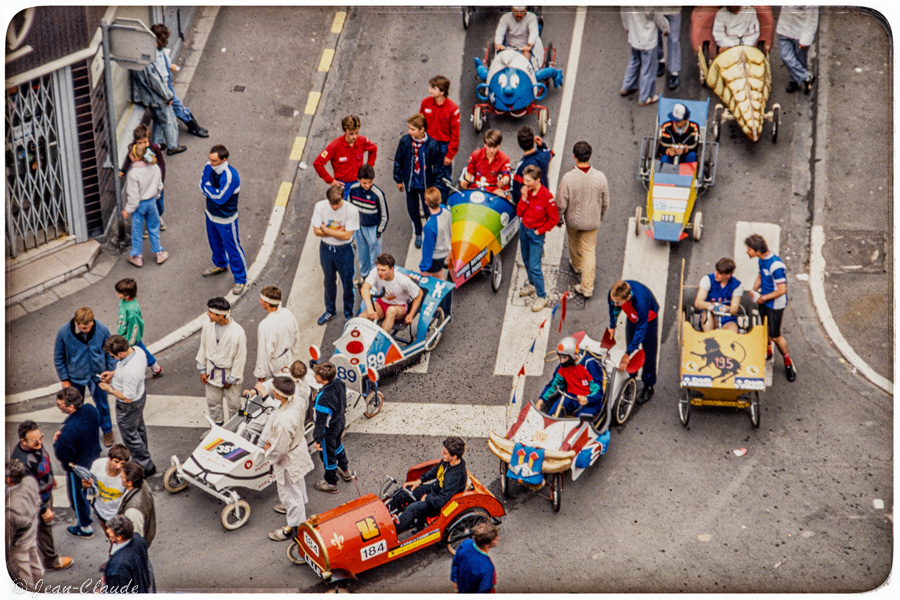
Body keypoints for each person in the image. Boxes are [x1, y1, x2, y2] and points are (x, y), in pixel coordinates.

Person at [249, 377, 315, 542]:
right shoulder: (297, 401)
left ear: (280, 395)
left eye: (274, 391)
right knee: (297, 486)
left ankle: (294, 528)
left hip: (288, 459)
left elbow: (280, 449)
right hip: (298, 450)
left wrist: (267, 451)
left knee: (290, 492)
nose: (272, 392)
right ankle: (297, 509)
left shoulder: (284, 421)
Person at [11, 421, 73, 571]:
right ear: (23, 441)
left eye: (41, 438)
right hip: (37, 501)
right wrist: (44, 509)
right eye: (35, 440)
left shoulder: (34, 445)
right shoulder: (23, 464)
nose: (39, 442)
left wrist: (50, 478)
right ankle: (51, 561)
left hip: (43, 492)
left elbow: (43, 462)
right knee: (45, 530)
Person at [53, 306, 117, 447]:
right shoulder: (64, 333)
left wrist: (110, 371)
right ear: (76, 323)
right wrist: (64, 379)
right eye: (83, 328)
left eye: (88, 327)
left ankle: (107, 431)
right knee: (76, 408)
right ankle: (80, 434)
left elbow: (110, 351)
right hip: (75, 377)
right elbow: (59, 356)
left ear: (93, 322)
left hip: (98, 376)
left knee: (102, 405)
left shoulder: (102, 329)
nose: (86, 330)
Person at [556, 141, 610, 299]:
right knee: (589, 251)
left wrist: (559, 218)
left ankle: (577, 265)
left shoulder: (568, 178)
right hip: (592, 221)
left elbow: (560, 203)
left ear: (574, 156)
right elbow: (606, 202)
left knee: (573, 241)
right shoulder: (600, 177)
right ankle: (587, 287)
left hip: (573, 220)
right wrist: (600, 215)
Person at [99, 335, 156, 477]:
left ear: (120, 354)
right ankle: (143, 457)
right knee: (138, 428)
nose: (112, 358)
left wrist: (110, 389)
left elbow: (128, 397)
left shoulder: (131, 373)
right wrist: (113, 374)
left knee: (130, 436)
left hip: (128, 406)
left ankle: (145, 465)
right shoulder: (137, 350)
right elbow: (123, 369)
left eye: (112, 356)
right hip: (140, 397)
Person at [389, 437, 467, 534]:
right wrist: (420, 480)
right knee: (402, 493)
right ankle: (390, 517)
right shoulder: (448, 461)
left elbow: (441, 501)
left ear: (454, 456)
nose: (441, 453)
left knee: (413, 509)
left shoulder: (455, 477)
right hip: (434, 490)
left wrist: (427, 498)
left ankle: (392, 532)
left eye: (445, 453)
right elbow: (436, 470)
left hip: (438, 503)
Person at [745, 234, 796, 381]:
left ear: (757, 251)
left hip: (775, 305)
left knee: (775, 335)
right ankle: (768, 352)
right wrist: (755, 287)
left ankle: (788, 363)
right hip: (764, 301)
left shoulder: (776, 265)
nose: (747, 252)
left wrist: (764, 297)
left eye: (749, 250)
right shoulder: (762, 260)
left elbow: (782, 290)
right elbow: (761, 275)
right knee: (765, 328)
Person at [52, 387, 101, 539]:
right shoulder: (90, 409)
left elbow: (63, 454)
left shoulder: (68, 432)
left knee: (78, 497)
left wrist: (57, 442)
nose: (59, 407)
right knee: (94, 486)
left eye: (61, 405)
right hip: (94, 455)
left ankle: (85, 527)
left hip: (78, 466)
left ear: (71, 407)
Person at [200, 144, 248, 296]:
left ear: (223, 160)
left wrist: (208, 189)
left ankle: (240, 279)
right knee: (214, 243)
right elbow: (202, 185)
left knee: (233, 248)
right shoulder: (209, 167)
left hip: (226, 219)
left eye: (214, 160)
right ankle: (220, 264)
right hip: (211, 214)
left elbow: (220, 198)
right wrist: (210, 190)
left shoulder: (231, 176)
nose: (210, 163)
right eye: (210, 159)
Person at [150, 23, 209, 138]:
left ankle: (159, 141)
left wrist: (170, 66)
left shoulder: (159, 50)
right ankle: (194, 127)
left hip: (165, 84)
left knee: (166, 112)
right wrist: (167, 94)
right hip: (165, 85)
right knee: (177, 106)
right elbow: (161, 76)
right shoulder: (156, 54)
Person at [394, 113, 444, 248]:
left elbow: (438, 167)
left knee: (428, 210)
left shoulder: (432, 145)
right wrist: (398, 179)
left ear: (422, 130)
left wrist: (437, 187)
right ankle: (418, 232)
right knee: (412, 209)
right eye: (409, 128)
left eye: (413, 129)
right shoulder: (405, 142)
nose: (409, 132)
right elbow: (398, 160)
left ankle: (429, 233)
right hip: (410, 183)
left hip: (425, 184)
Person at [313, 185, 360, 325]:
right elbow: (316, 231)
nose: (334, 207)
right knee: (329, 281)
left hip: (344, 250)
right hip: (326, 249)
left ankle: (348, 313)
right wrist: (339, 231)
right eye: (332, 204)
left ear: (342, 199)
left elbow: (347, 236)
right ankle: (330, 310)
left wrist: (325, 229)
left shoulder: (351, 210)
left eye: (337, 204)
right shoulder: (320, 207)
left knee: (347, 283)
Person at [197, 296, 247, 425]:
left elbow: (240, 358)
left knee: (234, 405)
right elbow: (203, 346)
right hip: (211, 372)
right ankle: (216, 429)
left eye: (211, 313)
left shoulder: (238, 332)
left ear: (220, 316)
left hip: (229, 374)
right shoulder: (207, 325)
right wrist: (202, 370)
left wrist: (232, 379)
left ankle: (236, 430)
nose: (208, 314)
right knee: (213, 403)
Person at [607, 280, 659, 404]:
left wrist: (627, 354)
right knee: (630, 344)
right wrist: (612, 326)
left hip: (648, 318)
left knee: (648, 352)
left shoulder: (641, 301)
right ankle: (631, 378)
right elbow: (613, 309)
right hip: (632, 317)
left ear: (628, 297)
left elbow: (641, 330)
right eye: (613, 300)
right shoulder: (613, 293)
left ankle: (648, 385)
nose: (615, 303)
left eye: (618, 302)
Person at [516, 164, 558, 312]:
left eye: (528, 181)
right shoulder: (526, 192)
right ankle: (532, 285)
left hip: (536, 234)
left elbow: (554, 219)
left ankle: (542, 295)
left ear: (537, 180)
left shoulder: (547, 197)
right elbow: (520, 213)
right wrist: (523, 198)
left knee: (534, 266)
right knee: (526, 260)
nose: (525, 183)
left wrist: (541, 230)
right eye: (524, 180)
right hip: (524, 229)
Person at [123, 137, 168, 268]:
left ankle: (137, 256)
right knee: (153, 227)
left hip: (139, 205)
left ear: (136, 157)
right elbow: (160, 185)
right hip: (152, 201)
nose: (129, 155)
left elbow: (133, 196)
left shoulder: (133, 174)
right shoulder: (155, 167)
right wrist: (157, 195)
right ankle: (159, 252)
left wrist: (128, 210)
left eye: (131, 154)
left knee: (137, 230)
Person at [129, 52, 185, 155]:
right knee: (168, 121)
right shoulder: (147, 64)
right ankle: (172, 146)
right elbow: (157, 84)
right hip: (158, 98)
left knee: (158, 120)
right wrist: (168, 96)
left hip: (148, 99)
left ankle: (157, 143)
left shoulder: (135, 63)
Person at [535, 336, 605, 419]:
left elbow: (598, 391)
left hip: (589, 401)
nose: (561, 361)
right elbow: (554, 385)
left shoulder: (589, 365)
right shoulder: (562, 367)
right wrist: (540, 400)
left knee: (580, 421)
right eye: (560, 357)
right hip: (570, 397)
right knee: (552, 414)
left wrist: (587, 399)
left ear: (573, 355)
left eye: (564, 357)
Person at [311, 362, 354, 493]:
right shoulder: (340, 383)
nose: (314, 377)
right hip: (340, 422)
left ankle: (331, 483)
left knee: (327, 455)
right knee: (337, 445)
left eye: (316, 376)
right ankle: (345, 469)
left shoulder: (322, 397)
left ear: (322, 379)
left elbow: (320, 421)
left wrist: (317, 440)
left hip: (328, 430)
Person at [120, 124, 168, 235]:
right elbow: (128, 159)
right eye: (139, 143)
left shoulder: (154, 148)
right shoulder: (133, 148)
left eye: (145, 142)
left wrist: (162, 180)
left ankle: (158, 216)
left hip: (154, 180)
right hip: (142, 182)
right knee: (145, 203)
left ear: (149, 140)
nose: (143, 145)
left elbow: (161, 164)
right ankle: (149, 223)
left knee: (158, 202)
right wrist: (124, 170)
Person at [419, 75, 460, 202]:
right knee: (426, 172)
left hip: (443, 146)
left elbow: (455, 134)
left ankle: (443, 201)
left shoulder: (453, 109)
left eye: (433, 88)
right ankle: (430, 200)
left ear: (442, 92)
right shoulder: (425, 103)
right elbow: (420, 123)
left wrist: (450, 154)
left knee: (444, 176)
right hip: (428, 143)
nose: (429, 90)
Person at [313, 115, 378, 194]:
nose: (354, 137)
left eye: (356, 133)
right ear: (344, 131)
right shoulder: (334, 146)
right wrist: (331, 181)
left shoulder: (362, 141)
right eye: (351, 134)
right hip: (343, 186)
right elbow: (317, 163)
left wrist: (369, 168)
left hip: (359, 183)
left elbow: (373, 149)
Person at [346, 164, 389, 282]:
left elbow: (384, 215)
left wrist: (379, 231)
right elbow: (349, 208)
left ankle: (375, 278)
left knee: (375, 255)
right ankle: (365, 276)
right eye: (364, 183)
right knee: (362, 253)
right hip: (359, 228)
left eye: (370, 182)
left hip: (373, 228)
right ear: (359, 180)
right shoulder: (353, 190)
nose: (367, 185)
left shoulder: (377, 194)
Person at [361, 253, 424, 332]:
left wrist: (411, 314)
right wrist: (370, 309)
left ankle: (381, 340)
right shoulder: (375, 272)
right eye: (378, 269)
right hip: (382, 303)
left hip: (399, 306)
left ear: (391, 269)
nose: (380, 273)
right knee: (362, 317)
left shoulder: (403, 280)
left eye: (383, 270)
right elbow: (365, 288)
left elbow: (419, 294)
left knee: (391, 311)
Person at [6, 459, 43, 591]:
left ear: (8, 479)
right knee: (34, 563)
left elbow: (7, 538)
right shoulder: (30, 481)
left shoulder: (11, 508)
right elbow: (38, 502)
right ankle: (40, 589)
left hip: (19, 543)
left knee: (22, 573)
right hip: (32, 530)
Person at [620, 8, 670, 106]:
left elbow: (624, 14)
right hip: (648, 39)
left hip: (634, 36)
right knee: (648, 69)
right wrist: (666, 28)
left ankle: (628, 86)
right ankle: (645, 97)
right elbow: (658, 16)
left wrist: (627, 28)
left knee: (635, 60)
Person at [115, 278, 163, 378]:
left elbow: (134, 328)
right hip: (124, 334)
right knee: (141, 350)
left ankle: (147, 369)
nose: (116, 294)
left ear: (127, 295)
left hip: (129, 337)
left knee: (135, 353)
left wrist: (128, 342)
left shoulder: (132, 311)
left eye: (119, 292)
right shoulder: (124, 301)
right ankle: (155, 367)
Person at [254, 285, 301, 382]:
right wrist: (294, 351)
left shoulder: (265, 325)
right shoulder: (287, 313)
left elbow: (263, 353)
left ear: (267, 303)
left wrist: (261, 377)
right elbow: (296, 334)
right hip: (288, 356)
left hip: (275, 364)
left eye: (261, 299)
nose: (260, 301)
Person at [102, 515, 154, 593]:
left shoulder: (118, 567)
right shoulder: (139, 540)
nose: (107, 532)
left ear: (119, 537)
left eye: (110, 533)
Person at [83, 444, 130, 528]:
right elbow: (90, 484)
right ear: (109, 458)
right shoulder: (98, 465)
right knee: (105, 527)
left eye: (122, 463)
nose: (119, 466)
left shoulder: (126, 475)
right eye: (116, 461)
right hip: (99, 509)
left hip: (118, 514)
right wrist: (86, 485)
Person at [776, 6, 818, 94]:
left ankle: (795, 82)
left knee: (800, 61)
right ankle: (807, 77)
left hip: (799, 34)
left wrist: (806, 40)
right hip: (785, 30)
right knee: (785, 56)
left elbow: (812, 20)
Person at [695, 257, 743, 333]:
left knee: (732, 331)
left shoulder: (737, 286)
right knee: (708, 319)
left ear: (728, 275)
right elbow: (698, 302)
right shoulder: (708, 280)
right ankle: (708, 338)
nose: (716, 275)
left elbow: (734, 308)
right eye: (716, 271)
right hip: (710, 314)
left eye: (720, 274)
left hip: (727, 317)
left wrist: (725, 308)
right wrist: (711, 306)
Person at [450, 522, 500, 593]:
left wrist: (456, 589)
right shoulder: (487, 568)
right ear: (487, 544)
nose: (498, 539)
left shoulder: (466, 544)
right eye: (495, 539)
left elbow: (455, 566)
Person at [116, 462, 156, 547]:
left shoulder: (133, 512)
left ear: (130, 483)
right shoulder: (142, 483)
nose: (120, 477)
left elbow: (135, 538)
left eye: (122, 476)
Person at [460, 129, 511, 194]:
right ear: (484, 144)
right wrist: (466, 181)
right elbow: (469, 173)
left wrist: (503, 181)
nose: (492, 150)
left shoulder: (505, 158)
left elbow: (506, 176)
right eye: (489, 146)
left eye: (495, 147)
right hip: (476, 187)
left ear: (499, 146)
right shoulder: (475, 154)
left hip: (494, 189)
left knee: (501, 195)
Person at [511, 126, 553, 205]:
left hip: (532, 205)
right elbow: (550, 152)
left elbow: (517, 194)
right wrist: (541, 145)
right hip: (544, 198)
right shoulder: (543, 155)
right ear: (533, 140)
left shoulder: (522, 167)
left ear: (519, 143)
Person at [419, 187, 452, 280]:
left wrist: (423, 267)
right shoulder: (446, 211)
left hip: (436, 257)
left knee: (437, 279)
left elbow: (428, 249)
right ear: (440, 199)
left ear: (426, 202)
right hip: (445, 249)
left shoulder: (429, 226)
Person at [656, 7, 683, 90]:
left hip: (674, 9)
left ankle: (674, 71)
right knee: (656, 36)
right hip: (657, 9)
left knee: (674, 40)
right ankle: (660, 59)